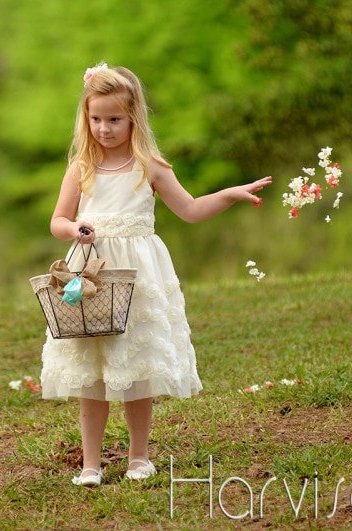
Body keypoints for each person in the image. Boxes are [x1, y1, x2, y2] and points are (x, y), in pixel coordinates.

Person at [41, 63, 271, 487]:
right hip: (90, 272)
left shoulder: (150, 166)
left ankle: (139, 456)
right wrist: (74, 230)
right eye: (96, 119)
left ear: (133, 118)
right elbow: (58, 219)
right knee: (91, 368)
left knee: (135, 365)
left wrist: (227, 195)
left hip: (137, 274)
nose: (104, 129)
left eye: (114, 119)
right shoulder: (81, 168)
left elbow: (191, 209)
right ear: (85, 118)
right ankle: (91, 463)